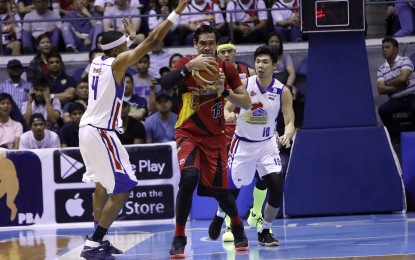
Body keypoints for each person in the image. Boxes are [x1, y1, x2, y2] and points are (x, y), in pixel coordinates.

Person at [77, 0, 189, 258]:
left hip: (89, 128)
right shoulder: (117, 64)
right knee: (124, 187)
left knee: (102, 186)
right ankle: (93, 244)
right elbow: (151, 42)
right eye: (125, 45)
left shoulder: (97, 60)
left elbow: (119, 47)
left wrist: (127, 37)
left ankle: (98, 239)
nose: (129, 47)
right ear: (118, 50)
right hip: (101, 130)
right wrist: (177, 11)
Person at [160, 25, 251, 258]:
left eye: (211, 43)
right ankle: (179, 237)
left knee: (220, 192)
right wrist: (188, 67)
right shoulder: (185, 65)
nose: (208, 47)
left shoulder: (226, 69)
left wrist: (224, 92)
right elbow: (165, 83)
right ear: (195, 45)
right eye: (203, 43)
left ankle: (237, 225)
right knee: (188, 178)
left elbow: (246, 103)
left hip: (215, 138)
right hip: (187, 133)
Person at [213, 45, 295, 247]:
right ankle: (220, 215)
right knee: (232, 191)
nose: (260, 65)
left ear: (275, 65)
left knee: (277, 187)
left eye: (265, 62)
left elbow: (290, 120)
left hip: (267, 145)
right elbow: (226, 107)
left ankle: (264, 230)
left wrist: (287, 134)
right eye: (258, 61)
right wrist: (228, 114)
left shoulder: (282, 91)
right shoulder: (244, 84)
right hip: (243, 145)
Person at [215, 37, 270, 243]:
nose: (227, 55)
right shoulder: (211, 73)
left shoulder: (249, 73)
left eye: (230, 51)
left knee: (264, 175)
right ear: (217, 54)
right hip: (223, 131)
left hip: (251, 130)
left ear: (235, 51)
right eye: (223, 51)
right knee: (231, 180)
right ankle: (230, 223)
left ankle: (256, 213)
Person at [377, 37, 415, 144]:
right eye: (383, 48)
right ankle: (396, 135)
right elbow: (381, 89)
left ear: (396, 49)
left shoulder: (405, 60)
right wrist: (399, 85)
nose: (384, 50)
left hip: (412, 95)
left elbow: (403, 78)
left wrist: (387, 84)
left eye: (387, 47)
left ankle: (412, 133)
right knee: (382, 110)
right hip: (396, 99)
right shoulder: (381, 69)